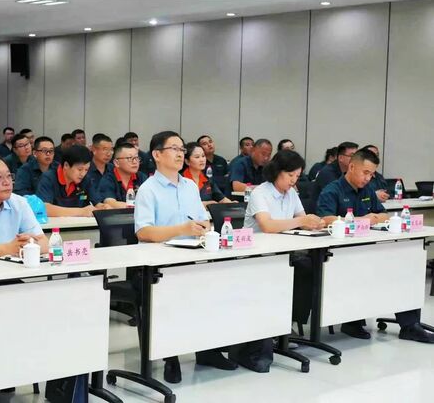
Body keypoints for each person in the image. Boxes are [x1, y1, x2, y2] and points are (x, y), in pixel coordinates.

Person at [134, 131, 233, 383]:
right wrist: (181, 229)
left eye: (182, 149)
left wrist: (204, 227)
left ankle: (208, 351)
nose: (180, 154)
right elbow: (143, 232)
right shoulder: (147, 190)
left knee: (216, 289)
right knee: (173, 299)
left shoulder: (190, 186)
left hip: (192, 255)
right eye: (174, 149)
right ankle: (171, 357)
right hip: (160, 264)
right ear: (157, 155)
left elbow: (202, 219)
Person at [317, 148, 434, 343]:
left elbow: (382, 215)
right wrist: (362, 219)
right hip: (341, 254)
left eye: (371, 174)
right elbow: (325, 219)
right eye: (365, 172)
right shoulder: (332, 190)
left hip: (369, 247)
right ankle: (352, 321)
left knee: (405, 267)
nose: (368, 178)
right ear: (351, 167)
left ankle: (410, 325)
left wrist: (373, 218)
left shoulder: (368, 190)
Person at [244, 150, 325, 333]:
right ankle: (278, 326)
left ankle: (291, 322)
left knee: (310, 266)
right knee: (299, 269)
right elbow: (267, 225)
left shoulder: (291, 193)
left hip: (285, 251)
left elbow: (302, 219)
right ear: (276, 171)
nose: (294, 180)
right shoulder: (260, 193)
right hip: (259, 255)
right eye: (290, 175)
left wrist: (314, 223)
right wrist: (301, 221)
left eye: (297, 176)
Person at [36, 145, 108, 217]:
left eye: (86, 169)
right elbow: (44, 208)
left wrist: (103, 207)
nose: (83, 174)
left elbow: (96, 202)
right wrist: (81, 211)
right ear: (66, 165)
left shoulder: (85, 180)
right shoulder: (49, 178)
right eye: (80, 169)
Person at [98, 142, 148, 208]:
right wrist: (137, 206)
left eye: (136, 158)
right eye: (129, 158)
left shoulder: (142, 177)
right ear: (116, 163)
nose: (135, 162)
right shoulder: (108, 179)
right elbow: (110, 203)